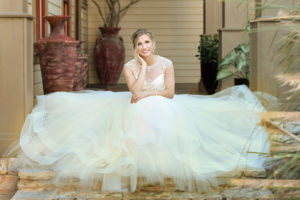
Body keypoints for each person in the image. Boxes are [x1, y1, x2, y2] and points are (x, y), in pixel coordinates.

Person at [4, 29, 269, 192]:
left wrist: (148, 94)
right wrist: (141, 69)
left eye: (147, 43)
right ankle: (143, 154)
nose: (144, 47)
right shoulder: (131, 66)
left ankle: (159, 152)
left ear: (154, 44)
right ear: (136, 48)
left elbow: (170, 93)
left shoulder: (167, 63)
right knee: (139, 110)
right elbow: (133, 93)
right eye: (139, 44)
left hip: (162, 103)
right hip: (137, 103)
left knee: (155, 106)